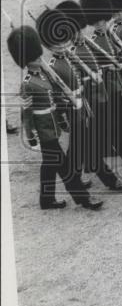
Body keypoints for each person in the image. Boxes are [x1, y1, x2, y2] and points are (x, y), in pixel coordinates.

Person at [7, 25, 102, 211]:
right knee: (64, 166)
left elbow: (54, 100)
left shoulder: (43, 75)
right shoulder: (27, 85)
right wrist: (32, 137)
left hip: (53, 127)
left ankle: (46, 199)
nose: (38, 59)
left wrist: (64, 114)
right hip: (44, 133)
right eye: (34, 58)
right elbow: (26, 115)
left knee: (49, 165)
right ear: (26, 61)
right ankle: (83, 199)